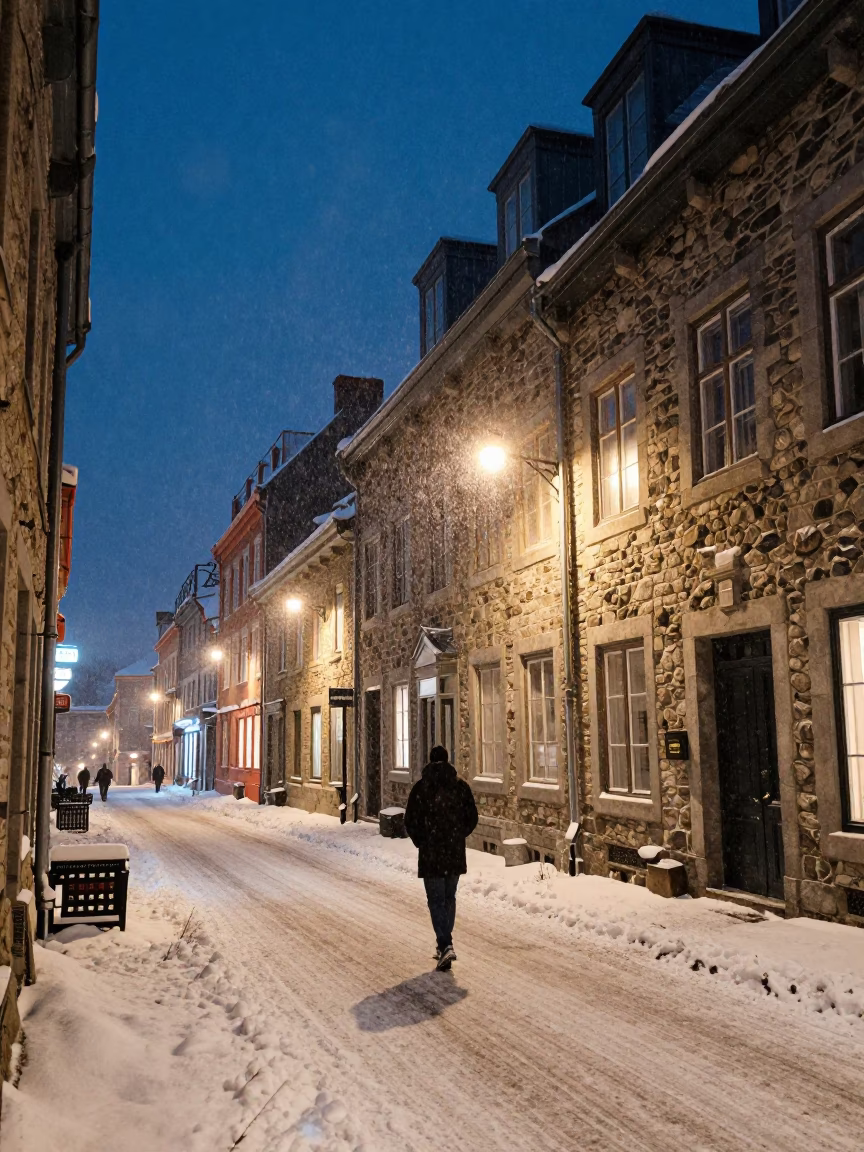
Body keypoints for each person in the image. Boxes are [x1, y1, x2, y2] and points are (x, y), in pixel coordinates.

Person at [404, 744, 478, 971]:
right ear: (448, 761)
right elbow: (472, 817)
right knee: (449, 898)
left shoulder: (421, 788)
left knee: (435, 900)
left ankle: (445, 944)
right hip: (453, 852)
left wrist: (422, 841)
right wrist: (457, 836)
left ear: (429, 761)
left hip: (431, 854)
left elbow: (410, 820)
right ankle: (444, 942)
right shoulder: (460, 787)